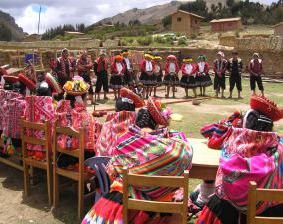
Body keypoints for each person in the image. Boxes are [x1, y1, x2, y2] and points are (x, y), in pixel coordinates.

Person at [82, 97, 193, 224]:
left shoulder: (123, 142)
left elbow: (112, 173)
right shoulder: (169, 148)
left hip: (123, 203)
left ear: (135, 122)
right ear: (155, 125)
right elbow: (186, 152)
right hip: (158, 206)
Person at [196, 95, 283, 224]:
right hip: (271, 213)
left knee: (218, 201)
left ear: (245, 124)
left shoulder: (231, 147)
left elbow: (208, 134)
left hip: (228, 212)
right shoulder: (279, 149)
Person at [95, 87, 144, 157]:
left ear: (116, 110)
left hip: (105, 163)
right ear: (133, 111)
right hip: (131, 165)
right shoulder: (137, 127)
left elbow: (99, 148)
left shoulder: (107, 125)